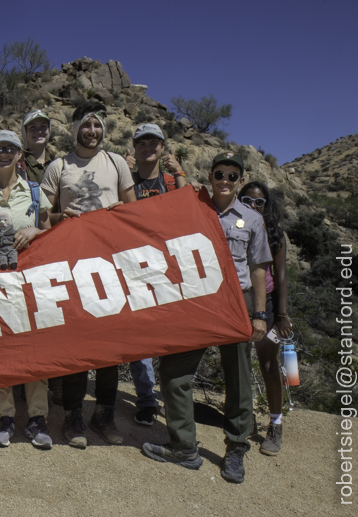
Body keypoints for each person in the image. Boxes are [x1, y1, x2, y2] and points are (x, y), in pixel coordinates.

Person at [143, 152, 272, 484]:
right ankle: (184, 447)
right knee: (174, 372)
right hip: (197, 299)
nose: (225, 181)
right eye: (219, 174)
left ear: (240, 180)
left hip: (236, 300)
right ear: (211, 176)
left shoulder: (252, 220)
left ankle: (236, 448)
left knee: (239, 377)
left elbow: (258, 268)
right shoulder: (194, 206)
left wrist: (259, 314)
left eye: (232, 176)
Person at [39, 101, 135, 449]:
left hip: (110, 264)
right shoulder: (58, 166)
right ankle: (73, 415)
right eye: (86, 125)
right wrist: (61, 218)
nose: (91, 132)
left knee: (111, 345)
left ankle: (105, 414)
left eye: (97, 126)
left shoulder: (116, 163)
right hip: (72, 264)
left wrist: (117, 212)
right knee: (77, 342)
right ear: (75, 127)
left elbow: (132, 208)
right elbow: (43, 216)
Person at [96, 122, 188, 427]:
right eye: (142, 143)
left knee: (172, 338)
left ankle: (174, 400)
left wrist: (183, 174)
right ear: (134, 148)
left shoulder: (173, 181)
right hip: (134, 267)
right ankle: (147, 400)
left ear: (163, 147)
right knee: (141, 339)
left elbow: (190, 212)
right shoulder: (127, 181)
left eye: (154, 143)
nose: (148, 148)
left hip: (169, 268)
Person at [0, 130, 53, 449]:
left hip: (29, 280)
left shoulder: (33, 190)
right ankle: (4, 418)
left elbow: (48, 229)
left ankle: (37, 419)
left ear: (20, 154)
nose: (4, 153)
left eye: (10, 149)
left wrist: (35, 231)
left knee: (34, 346)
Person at [238, 180, 291, 456]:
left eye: (259, 202)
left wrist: (281, 314)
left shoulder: (275, 236)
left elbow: (281, 277)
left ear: (266, 205)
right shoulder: (235, 227)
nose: (253, 207)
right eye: (247, 202)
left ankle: (275, 424)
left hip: (267, 304)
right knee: (239, 361)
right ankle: (243, 417)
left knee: (269, 364)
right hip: (238, 302)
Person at [20, 109, 56, 184]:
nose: (39, 131)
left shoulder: (56, 163)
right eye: (32, 127)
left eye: (43, 126)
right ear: (25, 132)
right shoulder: (19, 164)